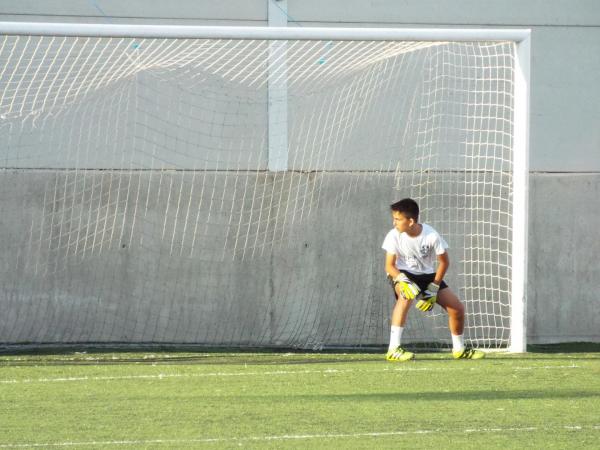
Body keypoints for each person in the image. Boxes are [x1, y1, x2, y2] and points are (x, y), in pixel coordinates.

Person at [381, 198, 484, 361]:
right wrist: (403, 279)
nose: (394, 223)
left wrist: (434, 287)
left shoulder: (431, 235)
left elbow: (444, 262)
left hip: (428, 276)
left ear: (411, 221)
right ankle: (393, 349)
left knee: (457, 309)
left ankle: (459, 349)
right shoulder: (393, 236)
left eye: (398, 219)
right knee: (406, 296)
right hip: (402, 274)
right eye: (394, 218)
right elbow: (389, 266)